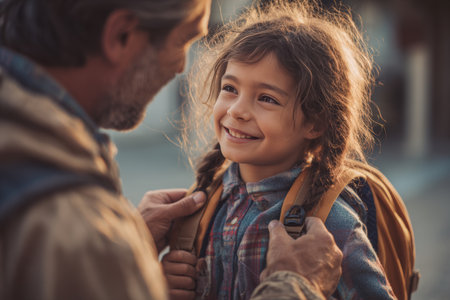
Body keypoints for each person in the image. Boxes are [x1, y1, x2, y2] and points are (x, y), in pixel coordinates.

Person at [0, 0, 342, 299]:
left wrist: (128, 250)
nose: (181, 66)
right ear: (121, 36)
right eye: (183, 40)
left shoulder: (334, 217)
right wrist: (297, 287)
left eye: (266, 97)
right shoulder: (69, 221)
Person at [163, 1, 396, 299]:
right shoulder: (204, 206)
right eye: (230, 88)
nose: (237, 110)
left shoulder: (329, 223)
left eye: (267, 99)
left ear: (315, 123)